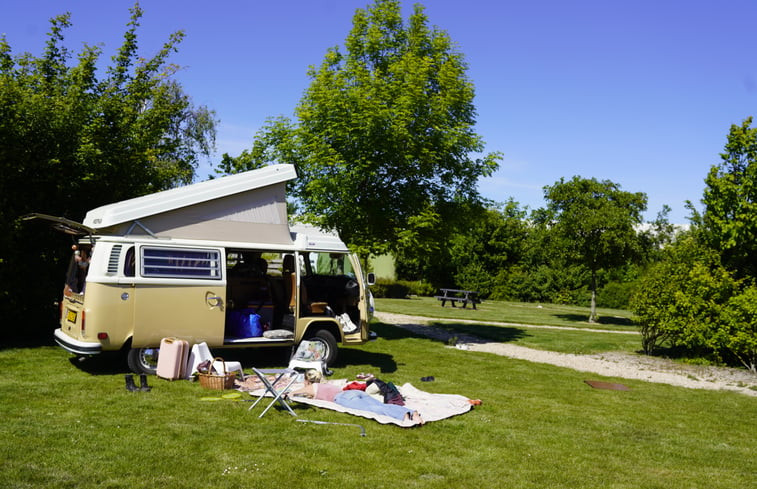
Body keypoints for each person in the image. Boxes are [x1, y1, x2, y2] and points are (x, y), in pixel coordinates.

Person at [289, 370, 423, 424]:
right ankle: (413, 412)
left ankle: (404, 415)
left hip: (344, 398)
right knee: (380, 405)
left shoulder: (313, 387)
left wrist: (291, 394)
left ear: (308, 381)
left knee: (374, 409)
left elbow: (302, 391)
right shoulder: (328, 384)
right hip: (354, 393)